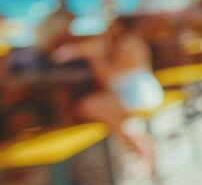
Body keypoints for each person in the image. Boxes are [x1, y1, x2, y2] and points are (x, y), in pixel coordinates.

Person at [51, 16, 164, 171]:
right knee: (100, 113)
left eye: (111, 25)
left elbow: (112, 80)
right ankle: (138, 147)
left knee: (89, 107)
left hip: (138, 96)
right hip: (144, 92)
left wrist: (95, 58)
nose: (108, 28)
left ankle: (138, 147)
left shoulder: (126, 43)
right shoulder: (129, 41)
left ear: (119, 27)